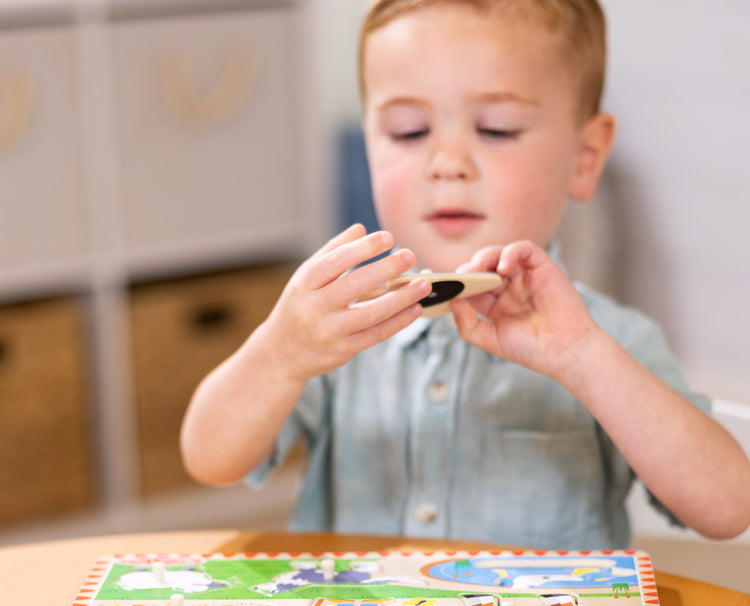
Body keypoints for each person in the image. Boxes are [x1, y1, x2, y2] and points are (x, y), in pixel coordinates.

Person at [180, 0, 750, 549]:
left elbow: (727, 508)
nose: (447, 161)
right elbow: (210, 460)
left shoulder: (609, 341)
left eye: (496, 129)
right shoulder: (336, 335)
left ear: (584, 156)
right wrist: (280, 353)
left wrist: (584, 359)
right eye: (408, 131)